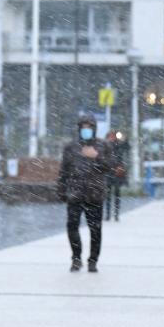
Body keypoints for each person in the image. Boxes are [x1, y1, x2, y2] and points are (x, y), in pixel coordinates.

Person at [57, 113, 115, 273]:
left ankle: (93, 260)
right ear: (79, 128)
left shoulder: (103, 146)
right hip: (75, 194)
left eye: (89, 127)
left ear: (94, 128)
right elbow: (64, 171)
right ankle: (76, 258)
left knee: (95, 229)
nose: (86, 130)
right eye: (83, 127)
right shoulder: (70, 147)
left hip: (94, 194)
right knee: (72, 226)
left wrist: (97, 157)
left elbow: (111, 167)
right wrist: (61, 190)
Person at [103, 130, 128, 222]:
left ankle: (116, 214)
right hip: (108, 171)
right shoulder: (105, 146)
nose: (112, 138)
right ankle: (108, 214)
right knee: (108, 195)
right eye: (110, 136)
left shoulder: (119, 145)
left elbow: (127, 147)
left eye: (113, 136)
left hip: (117, 172)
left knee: (117, 193)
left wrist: (124, 139)